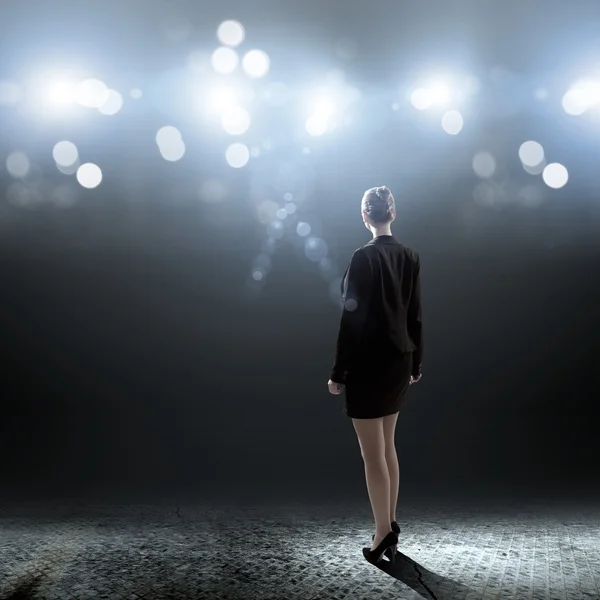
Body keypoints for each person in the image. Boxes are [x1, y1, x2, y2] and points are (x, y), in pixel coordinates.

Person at [327, 185, 423, 565]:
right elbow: (415, 315)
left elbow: (352, 320)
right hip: (400, 361)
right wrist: (417, 362)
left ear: (365, 216)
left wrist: (338, 371)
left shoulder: (362, 258)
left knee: (373, 455)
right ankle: (389, 526)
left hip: (368, 365)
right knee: (387, 446)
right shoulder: (410, 256)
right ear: (392, 213)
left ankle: (383, 533)